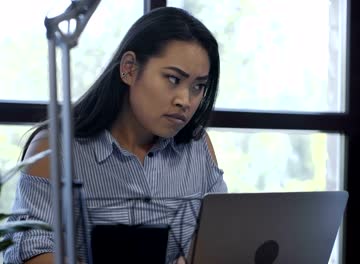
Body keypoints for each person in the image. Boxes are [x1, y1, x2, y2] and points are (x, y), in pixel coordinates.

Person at [4, 6, 227, 264]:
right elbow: (28, 250)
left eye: (198, 87)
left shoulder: (198, 147)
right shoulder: (55, 148)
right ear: (129, 69)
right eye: (173, 79)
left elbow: (221, 236)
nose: (185, 101)